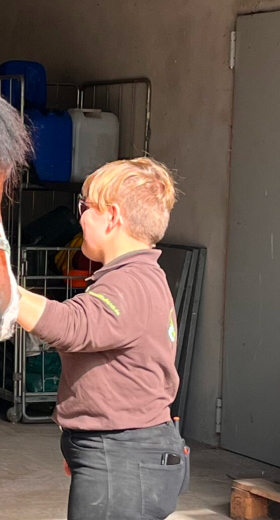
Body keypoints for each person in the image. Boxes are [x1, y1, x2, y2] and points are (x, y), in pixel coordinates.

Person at [16, 158, 190, 520]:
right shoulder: (139, 276)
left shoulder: (129, 284)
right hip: (120, 453)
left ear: (111, 217)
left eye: (85, 208)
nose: (80, 218)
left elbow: (72, 325)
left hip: (124, 457)